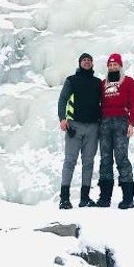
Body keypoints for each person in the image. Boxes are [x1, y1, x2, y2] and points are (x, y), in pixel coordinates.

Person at [57, 52, 102, 209]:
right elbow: (62, 100)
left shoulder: (98, 83)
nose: (86, 62)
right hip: (74, 126)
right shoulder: (71, 80)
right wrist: (62, 118)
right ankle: (64, 199)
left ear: (92, 63)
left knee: (88, 162)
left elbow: (103, 103)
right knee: (70, 161)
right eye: (84, 60)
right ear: (80, 63)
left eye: (89, 60)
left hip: (93, 127)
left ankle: (85, 198)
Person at [97, 53, 134, 209]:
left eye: (115, 64)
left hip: (121, 122)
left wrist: (131, 123)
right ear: (108, 67)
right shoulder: (103, 84)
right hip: (105, 123)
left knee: (121, 157)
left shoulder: (128, 81)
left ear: (120, 66)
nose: (113, 67)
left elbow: (133, 104)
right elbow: (99, 104)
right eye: (110, 65)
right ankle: (105, 197)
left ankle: (128, 198)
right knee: (105, 159)